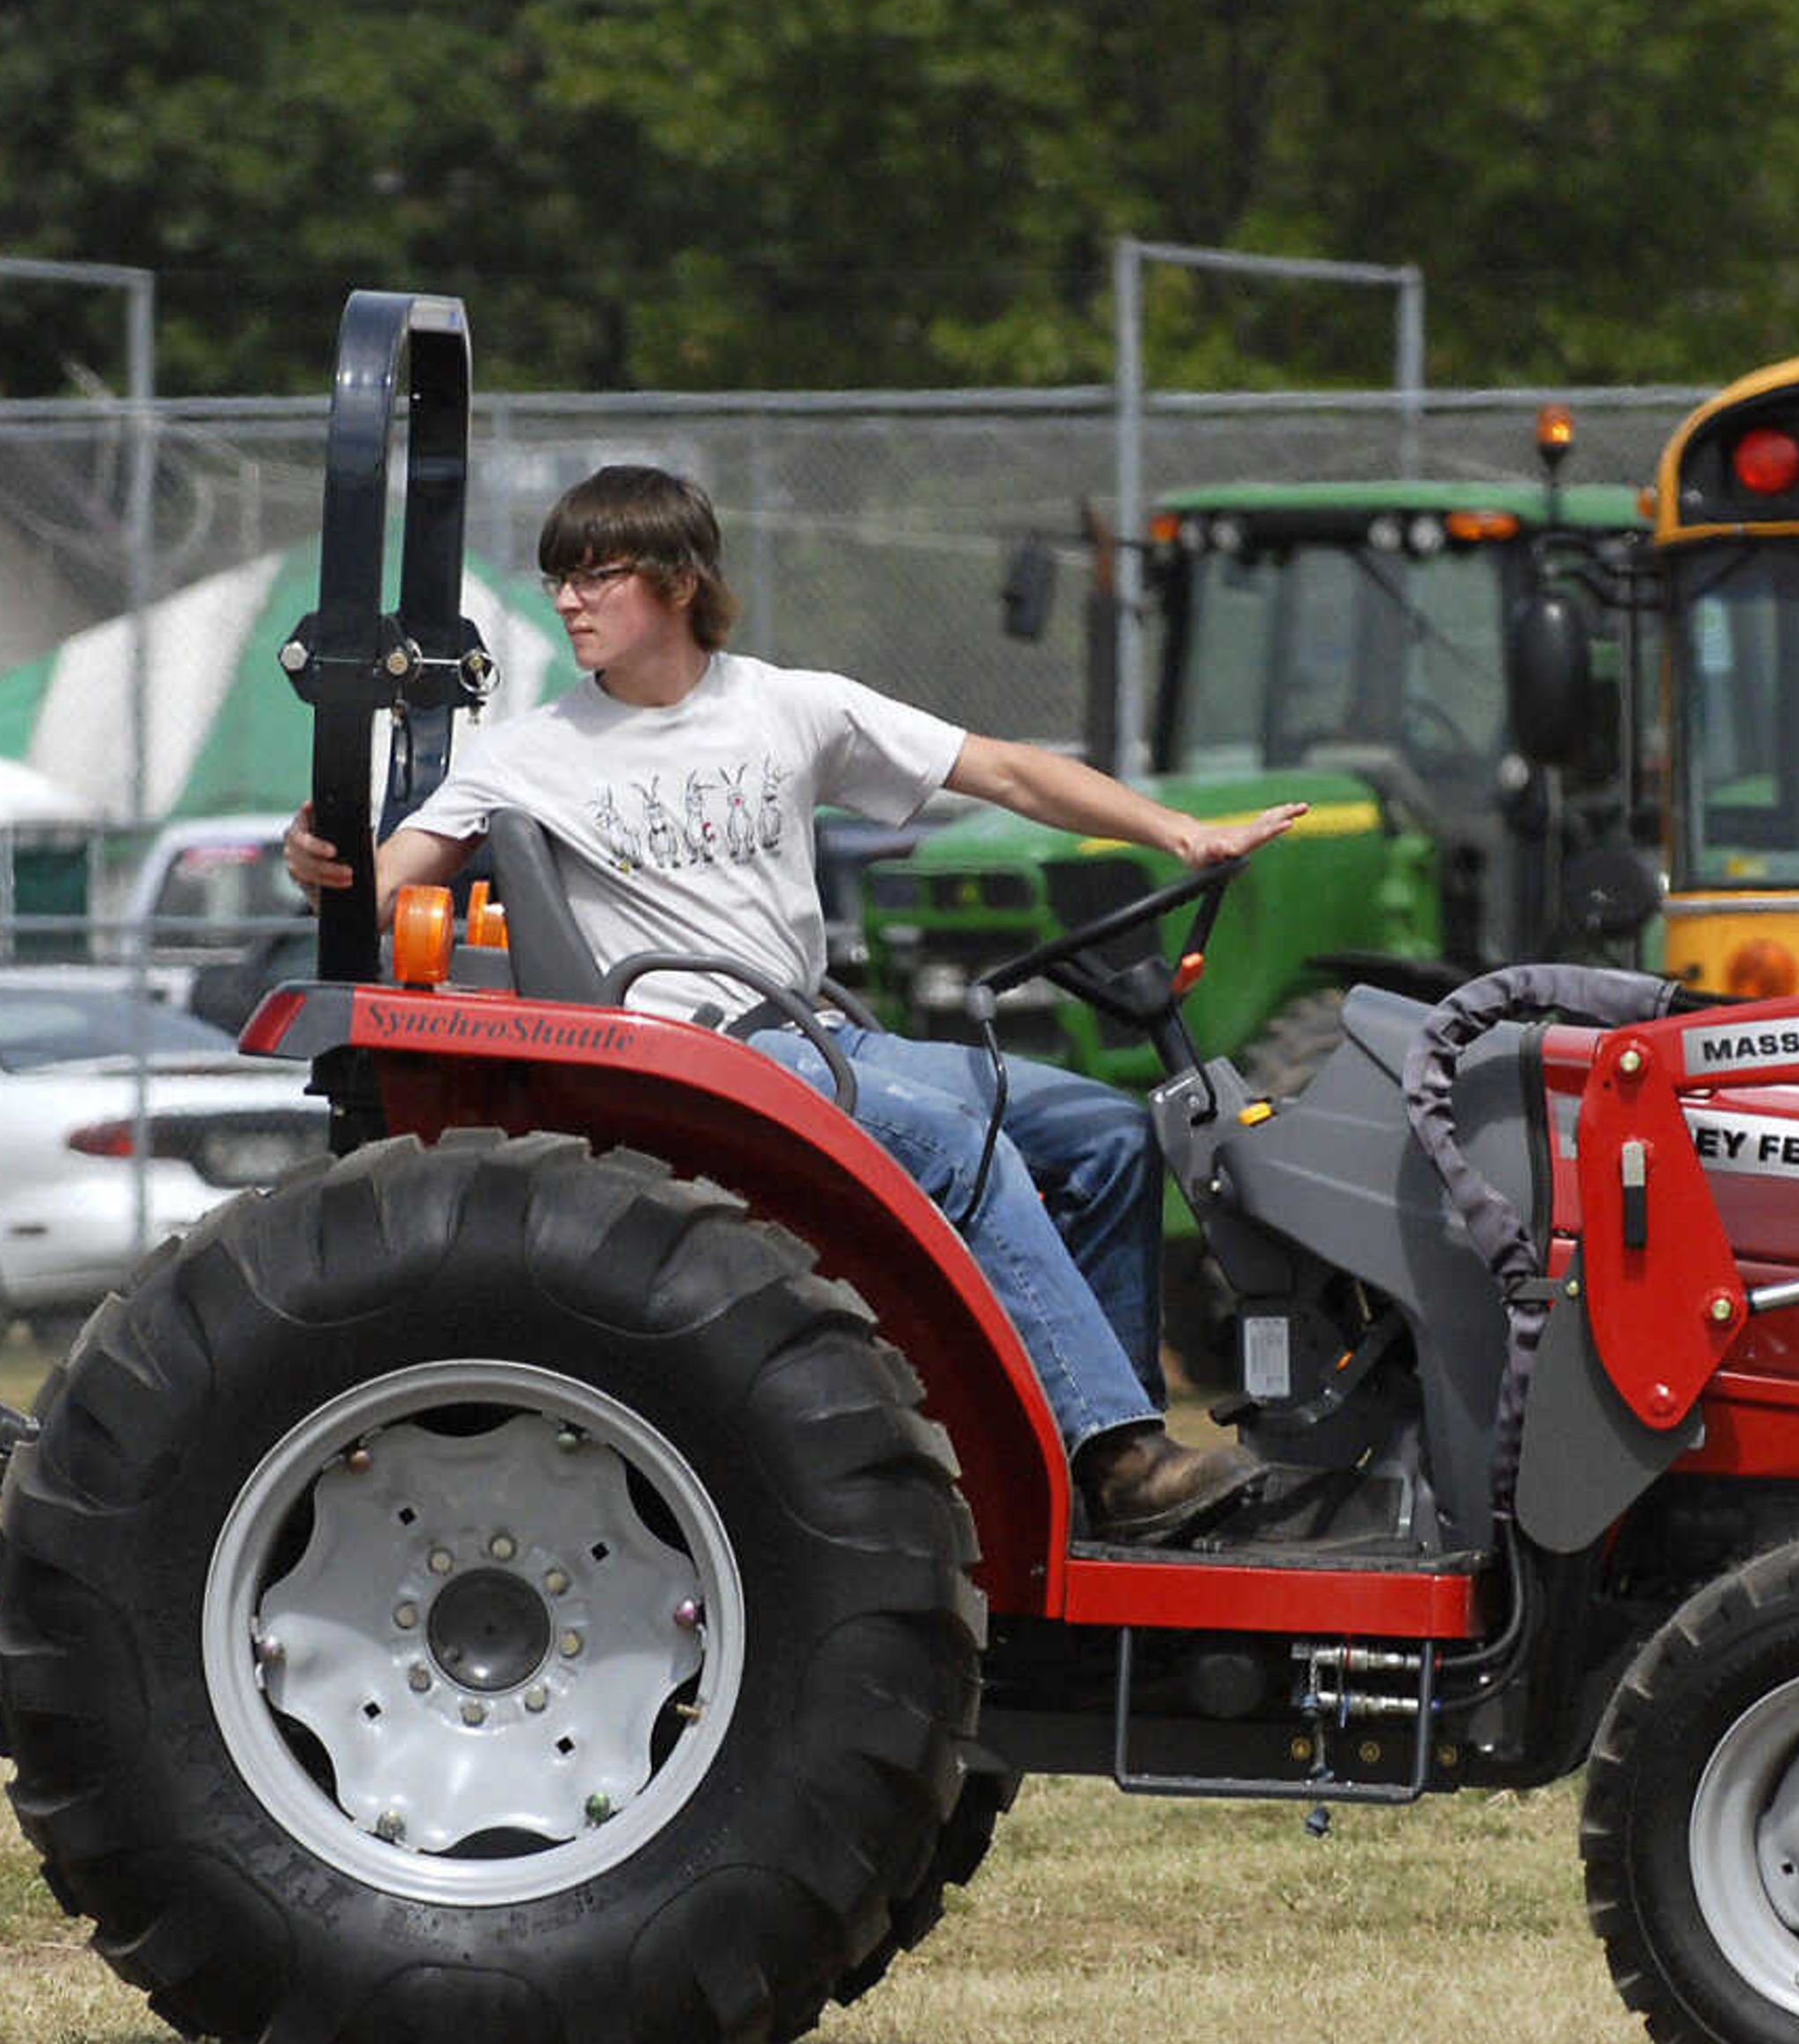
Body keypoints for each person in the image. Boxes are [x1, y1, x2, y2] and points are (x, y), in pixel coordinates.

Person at [285, 464, 1302, 1542]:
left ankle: (1101, 1450)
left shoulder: (793, 707)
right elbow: (386, 874)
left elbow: (1002, 772)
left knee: (1105, 1134)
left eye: (598, 576)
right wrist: (317, 855)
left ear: (678, 580)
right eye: (559, 580)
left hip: (809, 1032)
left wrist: (1180, 834)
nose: (569, 601)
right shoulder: (527, 755)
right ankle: (1122, 1454)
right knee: (965, 1144)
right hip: (698, 1056)